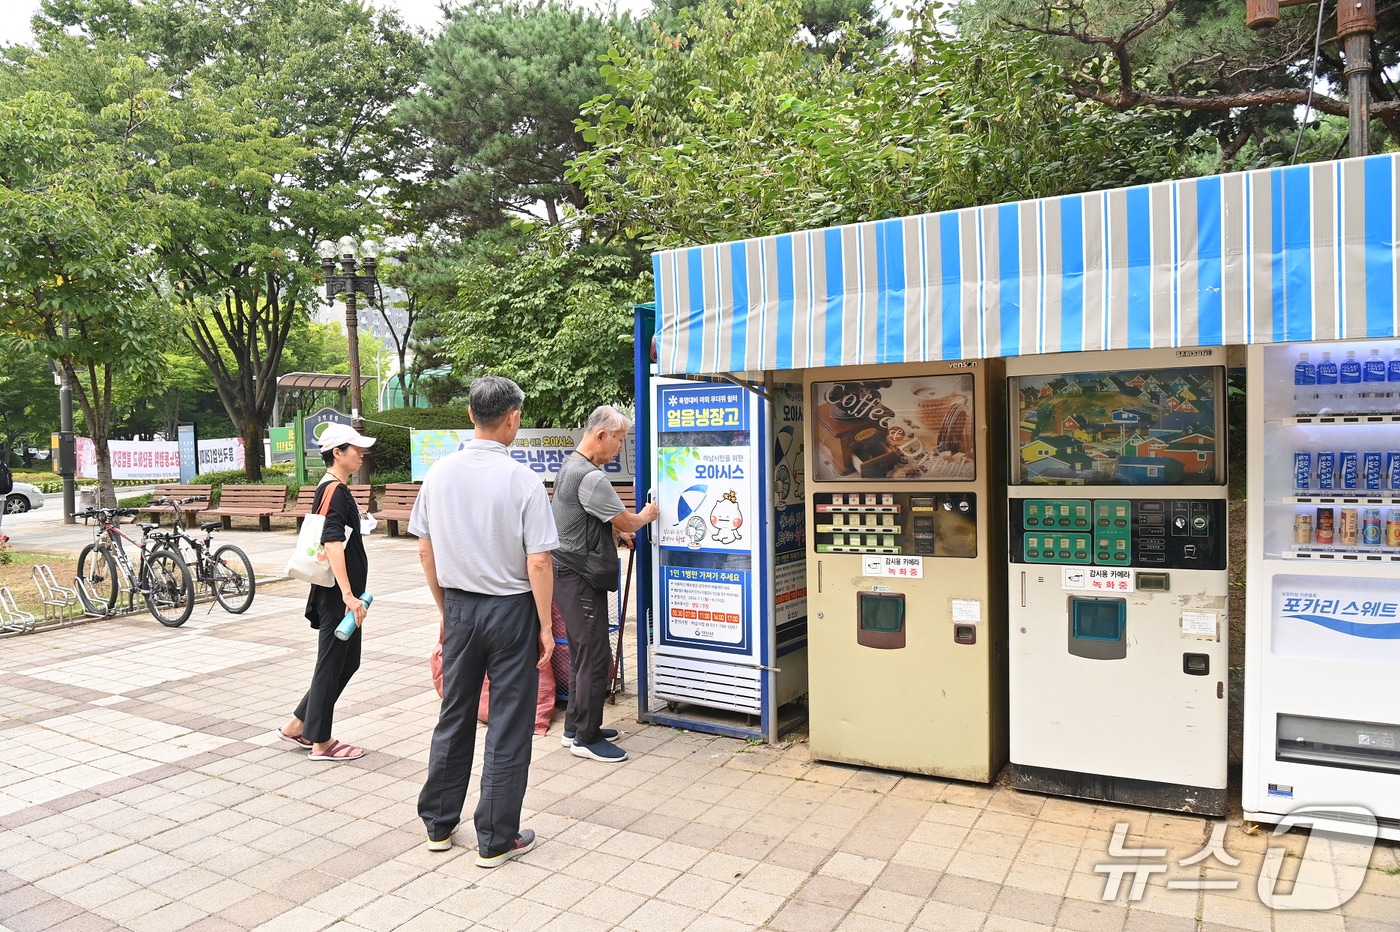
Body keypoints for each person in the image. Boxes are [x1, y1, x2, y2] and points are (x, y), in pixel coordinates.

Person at [410, 375, 558, 867]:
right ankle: (496, 837)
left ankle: (438, 824)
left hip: (459, 606)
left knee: (455, 713)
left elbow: (425, 550)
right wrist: (543, 626)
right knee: (509, 722)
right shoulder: (523, 480)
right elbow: (538, 562)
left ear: (472, 415)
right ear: (512, 417)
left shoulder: (439, 474)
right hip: (512, 609)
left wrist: (443, 606)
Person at [551, 405, 659, 763]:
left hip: (568, 573)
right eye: (619, 440)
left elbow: (584, 518)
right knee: (596, 655)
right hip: (578, 575)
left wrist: (614, 530)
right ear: (600, 436)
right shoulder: (592, 476)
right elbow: (629, 519)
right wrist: (645, 516)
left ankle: (574, 727)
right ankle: (587, 737)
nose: (620, 448)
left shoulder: (572, 466)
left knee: (585, 652)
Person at [279, 423, 375, 762]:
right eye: (355, 448)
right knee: (332, 663)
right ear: (338, 453)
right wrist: (349, 595)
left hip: (340, 592)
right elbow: (332, 541)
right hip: (338, 594)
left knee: (346, 662)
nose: (361, 453)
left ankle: (298, 724)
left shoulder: (334, 488)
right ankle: (320, 741)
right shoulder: (334, 490)